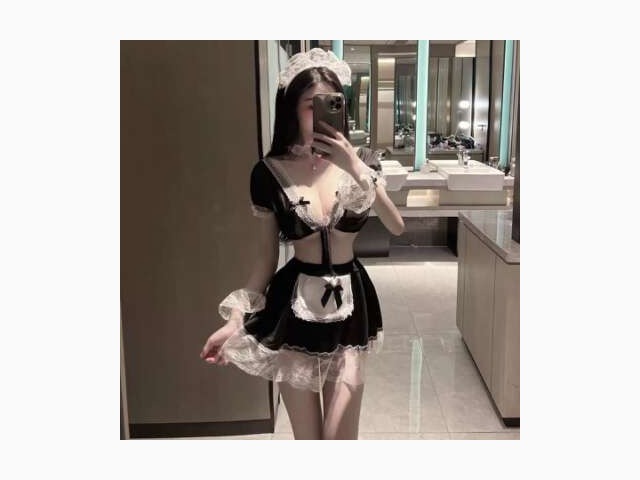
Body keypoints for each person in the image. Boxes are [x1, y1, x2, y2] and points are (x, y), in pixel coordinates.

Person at [200, 48, 405, 440]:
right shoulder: (269, 173)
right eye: (311, 105)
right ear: (291, 109)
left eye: (332, 103)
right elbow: (265, 260)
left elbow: (396, 226)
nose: (321, 114)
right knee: (308, 440)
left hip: (350, 313)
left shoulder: (361, 163)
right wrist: (235, 319)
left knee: (340, 438)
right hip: (293, 313)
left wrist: (354, 166)